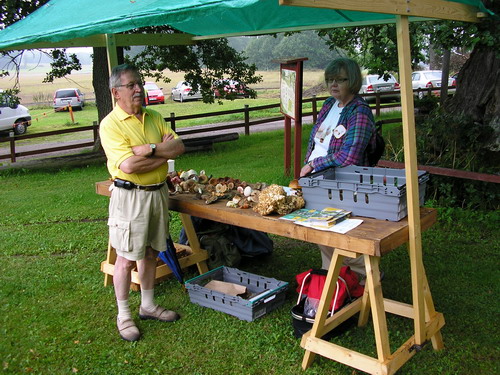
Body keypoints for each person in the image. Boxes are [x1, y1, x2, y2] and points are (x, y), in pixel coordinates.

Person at [100, 63, 185, 342]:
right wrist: (163, 153)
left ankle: (148, 306)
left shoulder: (154, 116)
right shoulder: (110, 125)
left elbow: (179, 147)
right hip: (130, 197)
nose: (139, 89)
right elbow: (128, 165)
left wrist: (148, 149)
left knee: (151, 252)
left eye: (139, 83)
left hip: (158, 193)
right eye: (131, 85)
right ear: (116, 92)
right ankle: (124, 315)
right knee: (125, 259)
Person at [299, 57, 376, 279]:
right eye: (330, 79)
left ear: (351, 80)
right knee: (321, 230)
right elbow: (317, 141)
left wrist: (314, 164)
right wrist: (311, 165)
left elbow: (349, 156)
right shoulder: (328, 105)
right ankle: (334, 276)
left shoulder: (359, 111)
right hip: (318, 178)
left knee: (341, 231)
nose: (333, 84)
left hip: (343, 181)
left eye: (339, 79)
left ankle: (366, 277)